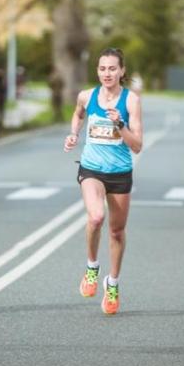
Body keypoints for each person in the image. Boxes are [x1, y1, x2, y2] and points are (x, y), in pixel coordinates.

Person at [64, 48, 143, 315]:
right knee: (96, 217)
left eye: (112, 68)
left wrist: (120, 123)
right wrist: (73, 134)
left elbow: (138, 146)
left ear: (122, 71)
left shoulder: (131, 101)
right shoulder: (87, 96)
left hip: (120, 172)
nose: (106, 73)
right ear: (97, 71)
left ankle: (113, 284)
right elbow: (77, 115)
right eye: (102, 68)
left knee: (116, 232)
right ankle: (92, 267)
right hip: (92, 169)